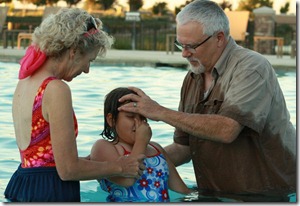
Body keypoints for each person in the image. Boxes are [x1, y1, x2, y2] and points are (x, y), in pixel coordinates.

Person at [117, 0, 296, 201]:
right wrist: (126, 163)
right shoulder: (193, 78)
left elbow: (227, 130)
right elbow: (183, 148)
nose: (184, 54)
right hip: (214, 195)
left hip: (266, 194)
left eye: (191, 46)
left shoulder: (252, 68)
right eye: (180, 45)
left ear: (219, 38)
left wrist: (159, 112)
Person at [4, 8, 145, 202]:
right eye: (89, 60)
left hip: (23, 184)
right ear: (74, 52)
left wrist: (92, 161)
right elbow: (68, 170)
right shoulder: (55, 89)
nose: (87, 70)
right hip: (50, 191)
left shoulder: (25, 81)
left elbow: (43, 158)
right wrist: (121, 167)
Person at [90, 87, 192, 202]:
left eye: (142, 117)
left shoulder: (156, 149)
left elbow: (183, 191)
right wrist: (141, 141)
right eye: (130, 116)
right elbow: (127, 180)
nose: (138, 123)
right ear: (111, 120)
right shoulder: (104, 147)